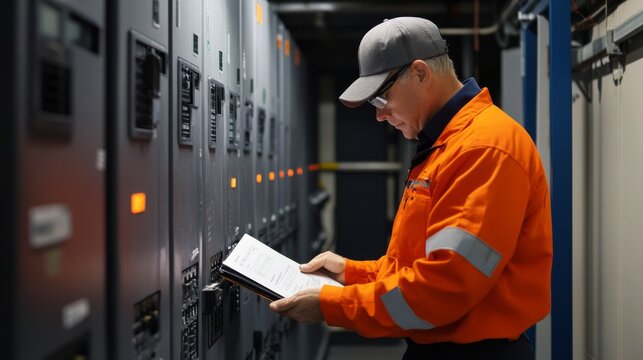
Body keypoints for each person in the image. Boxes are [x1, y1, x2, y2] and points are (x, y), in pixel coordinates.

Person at [269, 16, 552, 360]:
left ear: (420, 73)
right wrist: (350, 272)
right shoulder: (445, 145)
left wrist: (334, 305)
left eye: (382, 98)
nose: (379, 115)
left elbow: (446, 287)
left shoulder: (483, 147)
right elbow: (417, 267)